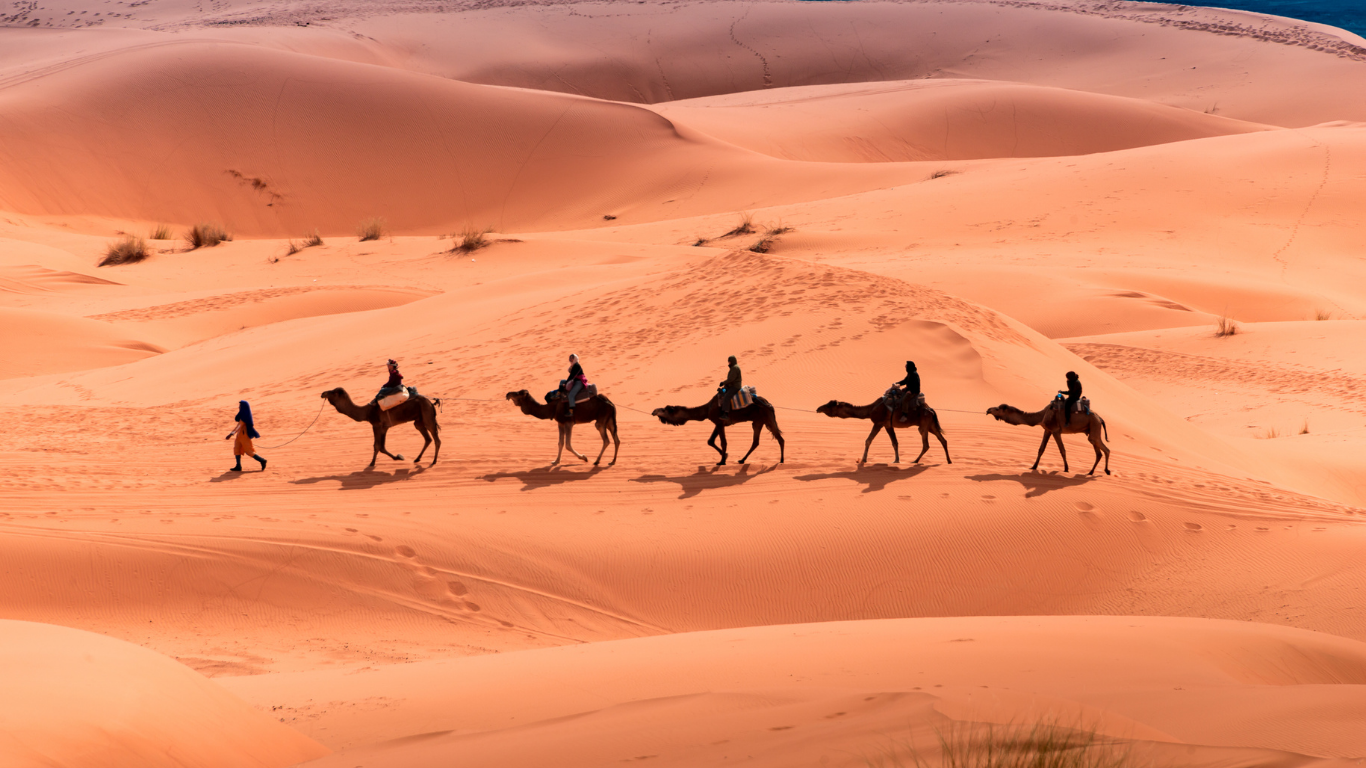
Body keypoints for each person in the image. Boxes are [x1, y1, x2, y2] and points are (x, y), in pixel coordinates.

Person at [225, 400, 267, 472]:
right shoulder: (242, 415)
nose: (239, 407)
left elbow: (239, 426)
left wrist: (231, 434)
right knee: (237, 449)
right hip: (239, 436)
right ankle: (238, 466)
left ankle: (262, 460)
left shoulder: (245, 417)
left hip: (244, 436)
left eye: (240, 406)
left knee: (249, 451)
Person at [560, 353, 586, 422]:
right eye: (570, 358)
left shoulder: (576, 365)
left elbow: (571, 376)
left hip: (579, 382)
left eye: (572, 358)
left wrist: (566, 383)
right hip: (575, 381)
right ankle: (559, 393)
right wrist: (565, 383)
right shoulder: (573, 366)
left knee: (571, 395)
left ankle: (571, 411)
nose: (570, 359)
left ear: (575, 359)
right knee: (562, 381)